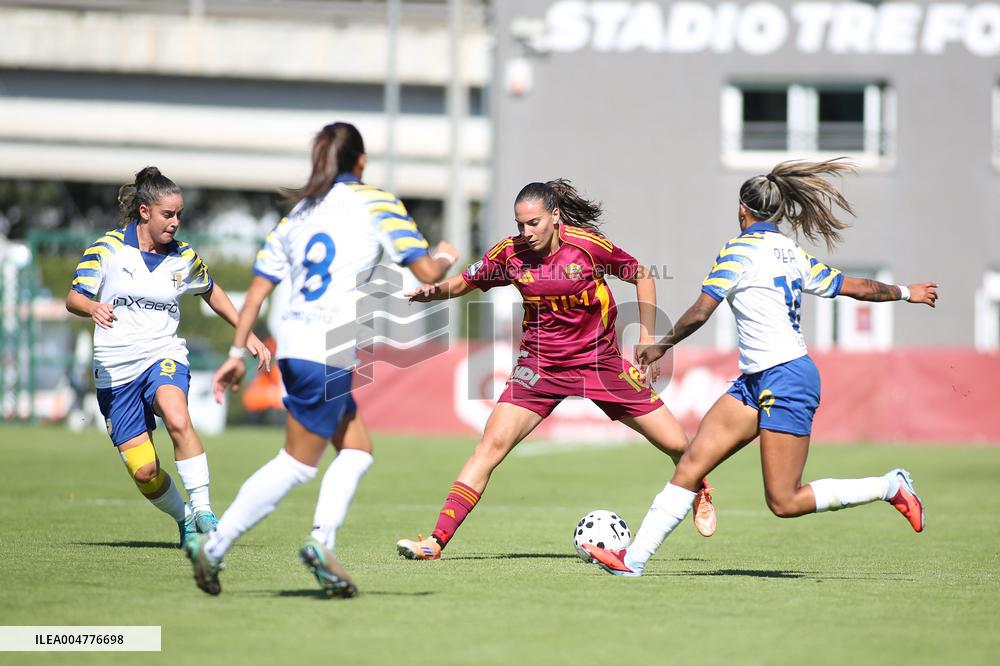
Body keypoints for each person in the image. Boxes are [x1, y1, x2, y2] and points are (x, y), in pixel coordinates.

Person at [584, 159, 938, 577]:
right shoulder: (793, 254)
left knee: (784, 501)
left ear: (742, 209)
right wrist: (905, 292)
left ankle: (890, 486)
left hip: (786, 378)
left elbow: (701, 312)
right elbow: (856, 287)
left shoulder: (738, 250)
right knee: (692, 463)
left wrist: (660, 346)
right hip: (756, 381)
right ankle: (632, 562)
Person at [184, 121, 460, 597]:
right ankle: (217, 543)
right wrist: (446, 256)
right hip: (325, 350)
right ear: (361, 160)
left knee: (357, 449)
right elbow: (427, 273)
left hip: (295, 345)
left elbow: (256, 292)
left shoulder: (297, 214)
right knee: (297, 463)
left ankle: (322, 543)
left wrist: (235, 352)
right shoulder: (376, 202)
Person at [395, 179, 717, 562]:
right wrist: (434, 292)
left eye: (533, 223)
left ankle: (699, 488)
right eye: (520, 224)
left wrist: (647, 338)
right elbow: (464, 282)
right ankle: (435, 542)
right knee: (489, 448)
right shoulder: (510, 253)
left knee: (679, 446)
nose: (526, 232)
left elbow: (641, 275)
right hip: (539, 367)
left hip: (599, 363)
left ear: (555, 216)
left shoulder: (588, 247)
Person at [66, 166, 270, 547]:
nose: (176, 222)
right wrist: (92, 307)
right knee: (145, 472)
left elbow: (212, 291)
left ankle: (205, 510)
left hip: (163, 355)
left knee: (177, 415)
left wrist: (249, 335)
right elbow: (74, 297)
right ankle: (185, 518)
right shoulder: (107, 249)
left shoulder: (183, 256)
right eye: (168, 214)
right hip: (115, 370)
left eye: (180, 214)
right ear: (144, 211)